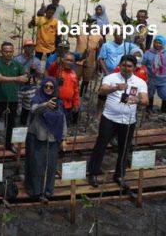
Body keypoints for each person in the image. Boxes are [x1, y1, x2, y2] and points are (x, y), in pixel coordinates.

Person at [87, 55, 149, 189]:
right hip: (109, 118)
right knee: (101, 145)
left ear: (134, 67)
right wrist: (116, 87)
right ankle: (92, 172)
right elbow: (102, 90)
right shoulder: (111, 78)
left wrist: (137, 100)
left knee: (124, 148)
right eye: (124, 65)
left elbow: (146, 101)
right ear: (120, 65)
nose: (126, 68)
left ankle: (119, 175)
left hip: (128, 121)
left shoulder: (140, 82)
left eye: (129, 66)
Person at [24, 77, 67, 201]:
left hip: (53, 138)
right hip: (38, 136)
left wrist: (64, 138)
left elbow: (63, 120)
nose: (48, 89)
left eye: (51, 87)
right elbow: (33, 109)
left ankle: (48, 190)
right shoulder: (37, 99)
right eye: (46, 86)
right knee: (37, 164)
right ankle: (36, 190)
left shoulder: (58, 102)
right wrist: (45, 105)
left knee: (52, 164)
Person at [0, 42, 27, 155]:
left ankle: (9, 144)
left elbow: (24, 76)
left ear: (13, 52)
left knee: (11, 123)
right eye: (6, 51)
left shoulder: (16, 64)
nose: (8, 54)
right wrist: (17, 78)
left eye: (10, 51)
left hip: (13, 98)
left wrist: (29, 75)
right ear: (1, 52)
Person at [15, 38, 42, 125]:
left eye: (32, 47)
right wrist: (22, 71)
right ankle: (13, 124)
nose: (31, 48)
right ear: (24, 47)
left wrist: (36, 71)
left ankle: (23, 123)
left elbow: (39, 76)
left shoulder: (36, 60)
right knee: (15, 108)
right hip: (18, 87)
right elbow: (12, 72)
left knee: (27, 108)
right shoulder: (17, 59)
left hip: (30, 87)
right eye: (28, 46)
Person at [75, 23, 104, 98]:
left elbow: (99, 48)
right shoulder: (80, 31)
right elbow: (71, 34)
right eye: (88, 24)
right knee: (76, 78)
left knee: (86, 80)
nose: (90, 26)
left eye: (92, 25)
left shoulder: (98, 36)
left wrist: (98, 61)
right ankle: (74, 92)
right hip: (78, 61)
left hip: (90, 62)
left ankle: (83, 93)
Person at [142, 35, 166, 113]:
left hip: (163, 79)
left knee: (164, 94)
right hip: (151, 78)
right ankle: (149, 108)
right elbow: (143, 64)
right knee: (149, 94)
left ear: (163, 44)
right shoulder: (148, 53)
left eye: (160, 43)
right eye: (156, 42)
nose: (157, 44)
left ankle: (164, 109)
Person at [55, 52, 81, 124]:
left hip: (68, 104)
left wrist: (76, 103)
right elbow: (51, 71)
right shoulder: (58, 71)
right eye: (67, 60)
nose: (69, 62)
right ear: (63, 60)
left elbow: (76, 90)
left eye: (71, 61)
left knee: (65, 123)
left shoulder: (73, 73)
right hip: (58, 103)